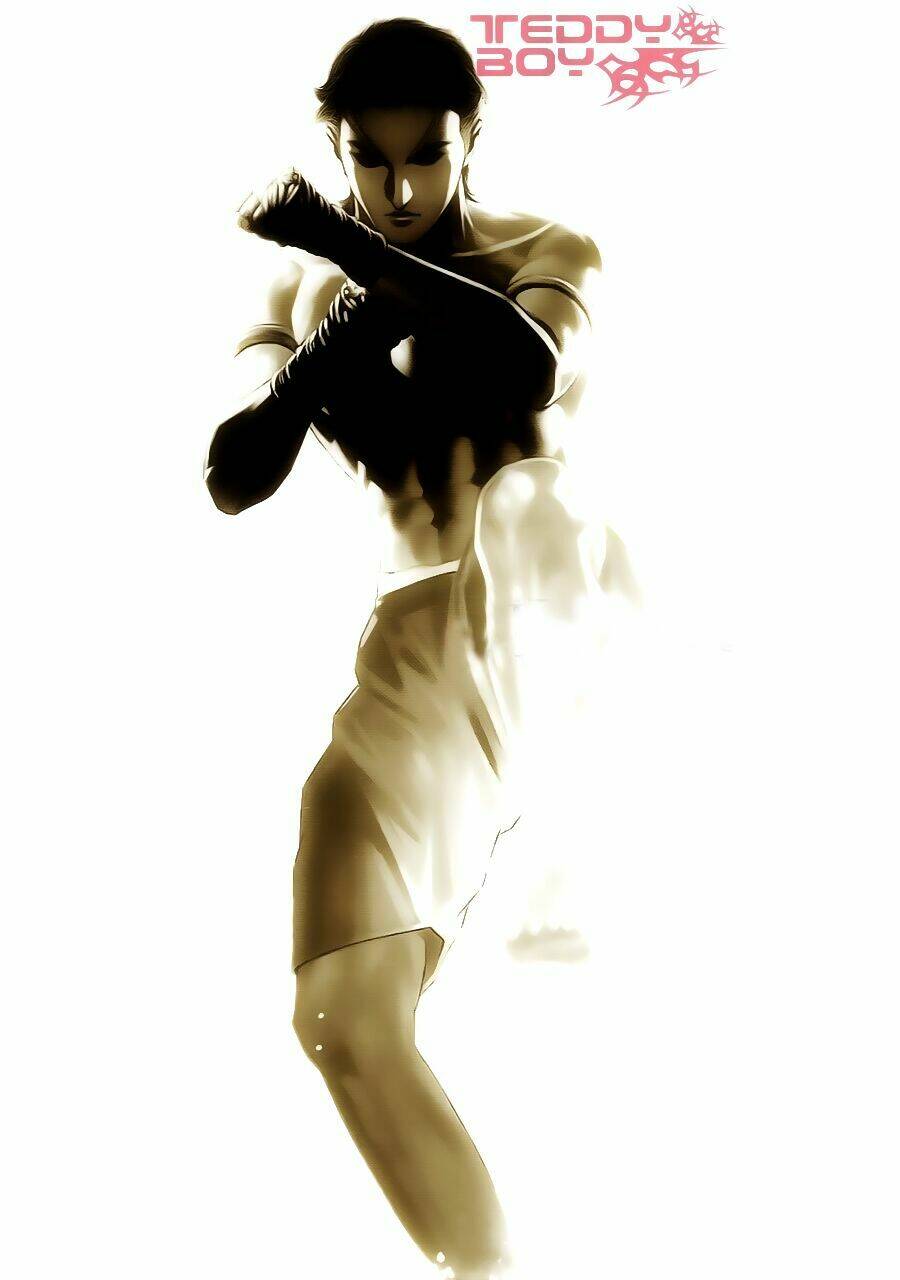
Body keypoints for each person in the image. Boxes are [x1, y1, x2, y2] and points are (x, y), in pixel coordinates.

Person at [205, 19, 629, 1278]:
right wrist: (326, 339)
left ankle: (563, 855)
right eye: (370, 162)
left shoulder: (547, 250)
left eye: (426, 158)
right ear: (336, 148)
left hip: (552, 601)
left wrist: (352, 250)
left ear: (470, 139)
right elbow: (233, 473)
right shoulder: (297, 293)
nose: (398, 190)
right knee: (339, 1016)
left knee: (528, 506)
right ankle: (488, 1267)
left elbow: (531, 372)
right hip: (417, 639)